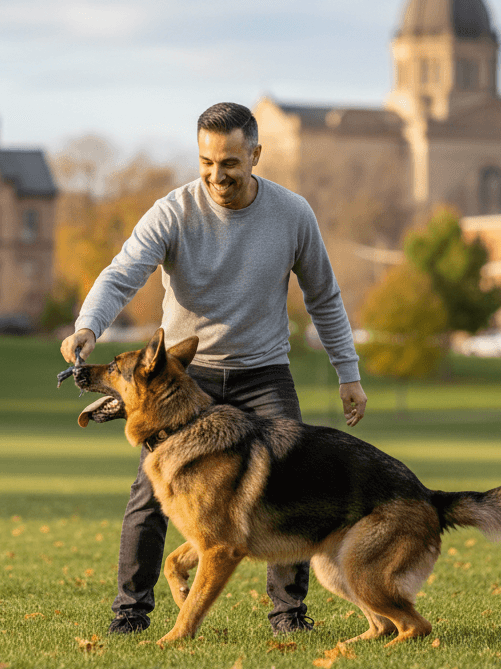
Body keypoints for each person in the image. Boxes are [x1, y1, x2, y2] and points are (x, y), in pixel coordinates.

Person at [60, 102, 368, 636]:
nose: (216, 175)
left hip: (263, 371)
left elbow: (324, 296)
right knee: (149, 497)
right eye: (206, 162)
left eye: (229, 162)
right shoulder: (174, 211)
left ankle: (288, 616)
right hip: (186, 379)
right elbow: (121, 274)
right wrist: (90, 325)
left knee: (290, 486)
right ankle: (130, 615)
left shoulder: (292, 213)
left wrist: (349, 372)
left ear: (255, 155)